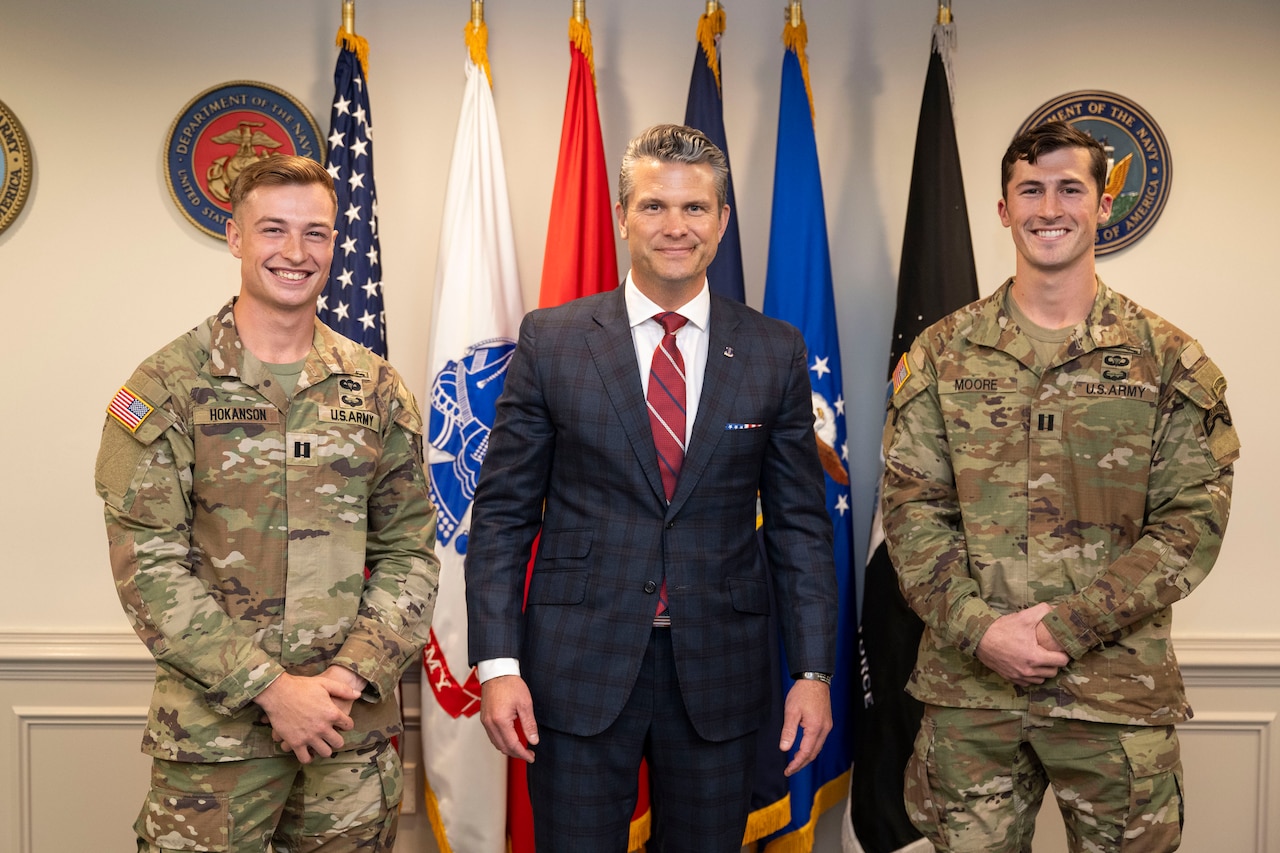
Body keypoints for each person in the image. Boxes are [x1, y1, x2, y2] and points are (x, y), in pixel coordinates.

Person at [464, 123, 838, 852]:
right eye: (655, 207)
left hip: (720, 669)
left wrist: (815, 670)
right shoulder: (553, 340)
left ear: (722, 222)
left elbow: (800, 525)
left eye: (695, 208)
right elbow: (504, 514)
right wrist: (498, 665)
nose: (676, 227)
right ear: (623, 217)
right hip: (575, 667)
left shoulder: (773, 350)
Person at [881, 120, 1240, 852]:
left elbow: (1190, 525)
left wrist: (1059, 628)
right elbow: (913, 511)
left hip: (1115, 698)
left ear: (1102, 205)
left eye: (1070, 188)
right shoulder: (942, 354)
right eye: (1031, 189)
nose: (1051, 207)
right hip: (969, 695)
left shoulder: (1166, 359)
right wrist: (983, 629)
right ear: (1004, 209)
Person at [94, 155, 439, 852]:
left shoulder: (374, 389)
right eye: (274, 229)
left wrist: (342, 680)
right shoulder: (167, 387)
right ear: (235, 237)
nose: (295, 251)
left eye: (316, 233)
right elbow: (149, 572)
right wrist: (274, 690)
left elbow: (410, 552)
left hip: (349, 737)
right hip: (214, 750)